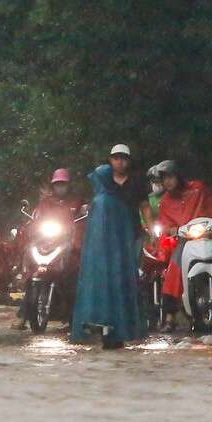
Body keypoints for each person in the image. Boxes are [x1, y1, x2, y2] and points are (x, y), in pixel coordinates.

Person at [71, 144, 152, 349]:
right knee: (116, 282)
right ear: (110, 160)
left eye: (123, 158)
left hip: (129, 238)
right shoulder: (101, 196)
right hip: (107, 248)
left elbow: (144, 205)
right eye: (116, 158)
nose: (120, 162)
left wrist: (151, 228)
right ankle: (114, 326)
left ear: (129, 161)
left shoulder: (133, 184)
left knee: (124, 280)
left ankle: (120, 326)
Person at [149, 158, 212, 316]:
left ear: (178, 176)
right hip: (185, 240)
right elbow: (165, 224)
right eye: (164, 179)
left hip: (208, 235)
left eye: (170, 177)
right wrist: (172, 230)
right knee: (174, 268)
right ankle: (170, 316)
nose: (168, 182)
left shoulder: (198, 189)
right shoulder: (166, 202)